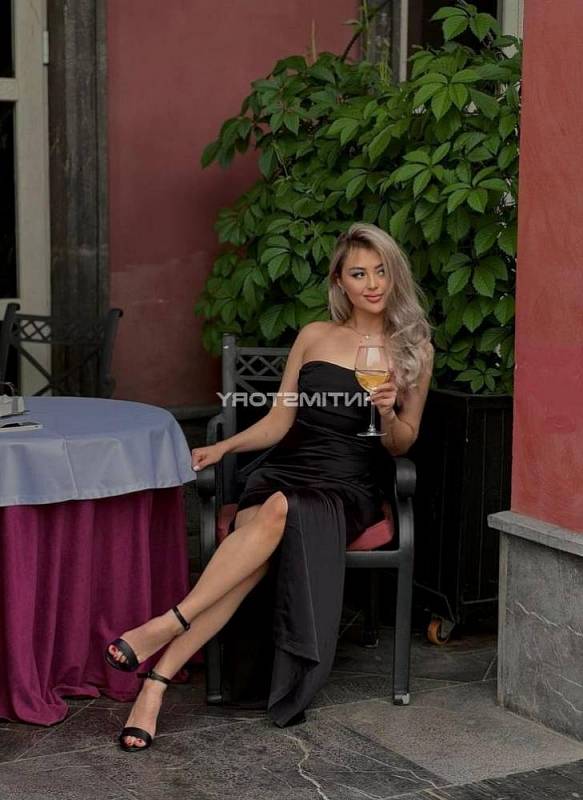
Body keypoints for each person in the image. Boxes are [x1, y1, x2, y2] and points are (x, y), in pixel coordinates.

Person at [104, 222, 433, 752]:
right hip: (286, 468)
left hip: (345, 484)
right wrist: (224, 448)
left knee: (274, 517)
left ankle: (164, 637)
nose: (372, 284)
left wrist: (389, 413)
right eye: (358, 273)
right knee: (261, 536)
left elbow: (401, 443)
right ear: (340, 282)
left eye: (380, 272)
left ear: (393, 276)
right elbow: (280, 422)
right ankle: (156, 681)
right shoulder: (314, 335)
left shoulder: (414, 349)